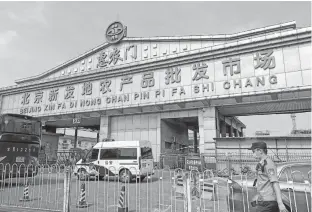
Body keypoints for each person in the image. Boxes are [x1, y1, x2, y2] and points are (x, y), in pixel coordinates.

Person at [249, 141, 288, 212]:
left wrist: (280, 203)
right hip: (263, 201)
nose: (253, 154)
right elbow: (263, 183)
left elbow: (275, 183)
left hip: (268, 202)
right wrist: (258, 196)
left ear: (260, 151)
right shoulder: (262, 163)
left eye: (253, 151)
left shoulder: (269, 164)